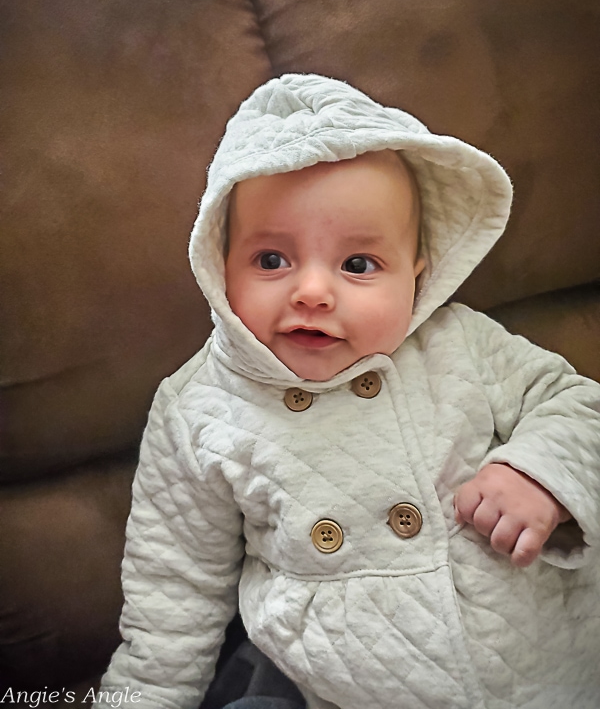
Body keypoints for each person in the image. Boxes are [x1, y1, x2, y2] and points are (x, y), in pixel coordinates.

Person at [96, 74, 600, 709]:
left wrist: (542, 474)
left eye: (358, 265)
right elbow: (175, 590)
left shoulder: (460, 343)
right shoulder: (199, 408)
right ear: (218, 263)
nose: (312, 291)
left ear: (416, 280)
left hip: (542, 650)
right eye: (271, 260)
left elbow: (579, 403)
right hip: (336, 678)